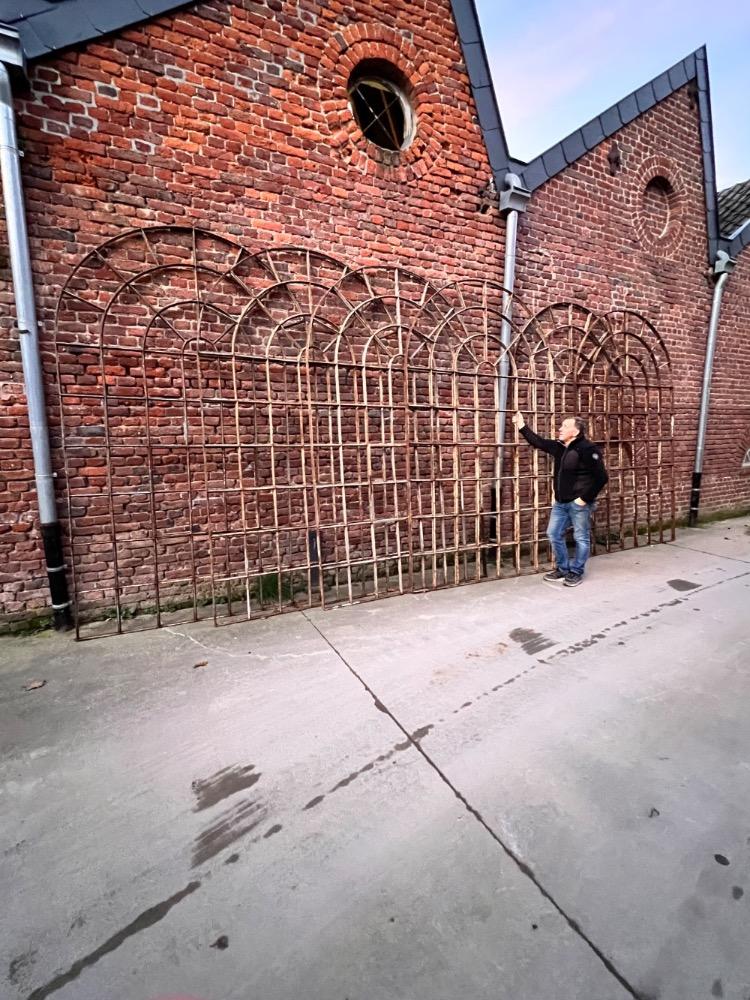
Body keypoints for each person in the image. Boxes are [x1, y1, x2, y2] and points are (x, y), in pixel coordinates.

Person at [511, 411, 608, 587]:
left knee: (581, 538)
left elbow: (602, 478)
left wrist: (584, 499)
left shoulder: (588, 449)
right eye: (561, 426)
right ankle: (563, 569)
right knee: (553, 534)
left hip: (579, 503)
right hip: (561, 503)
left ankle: (576, 571)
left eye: (565, 426)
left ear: (576, 431)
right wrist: (521, 426)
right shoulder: (559, 447)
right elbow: (538, 442)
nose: (560, 429)